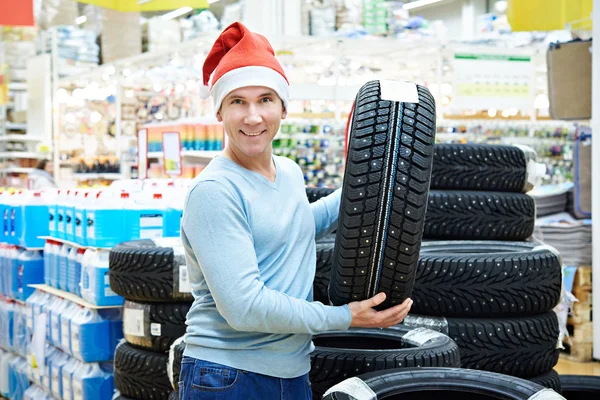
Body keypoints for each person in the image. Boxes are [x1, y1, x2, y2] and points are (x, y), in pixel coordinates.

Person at [179, 22, 413, 400]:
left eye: (265, 99)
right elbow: (245, 307)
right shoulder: (214, 191)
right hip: (229, 375)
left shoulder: (287, 171)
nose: (253, 117)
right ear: (219, 112)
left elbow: (302, 225)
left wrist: (375, 182)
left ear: (283, 108)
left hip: (292, 370)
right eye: (238, 101)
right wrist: (345, 317)